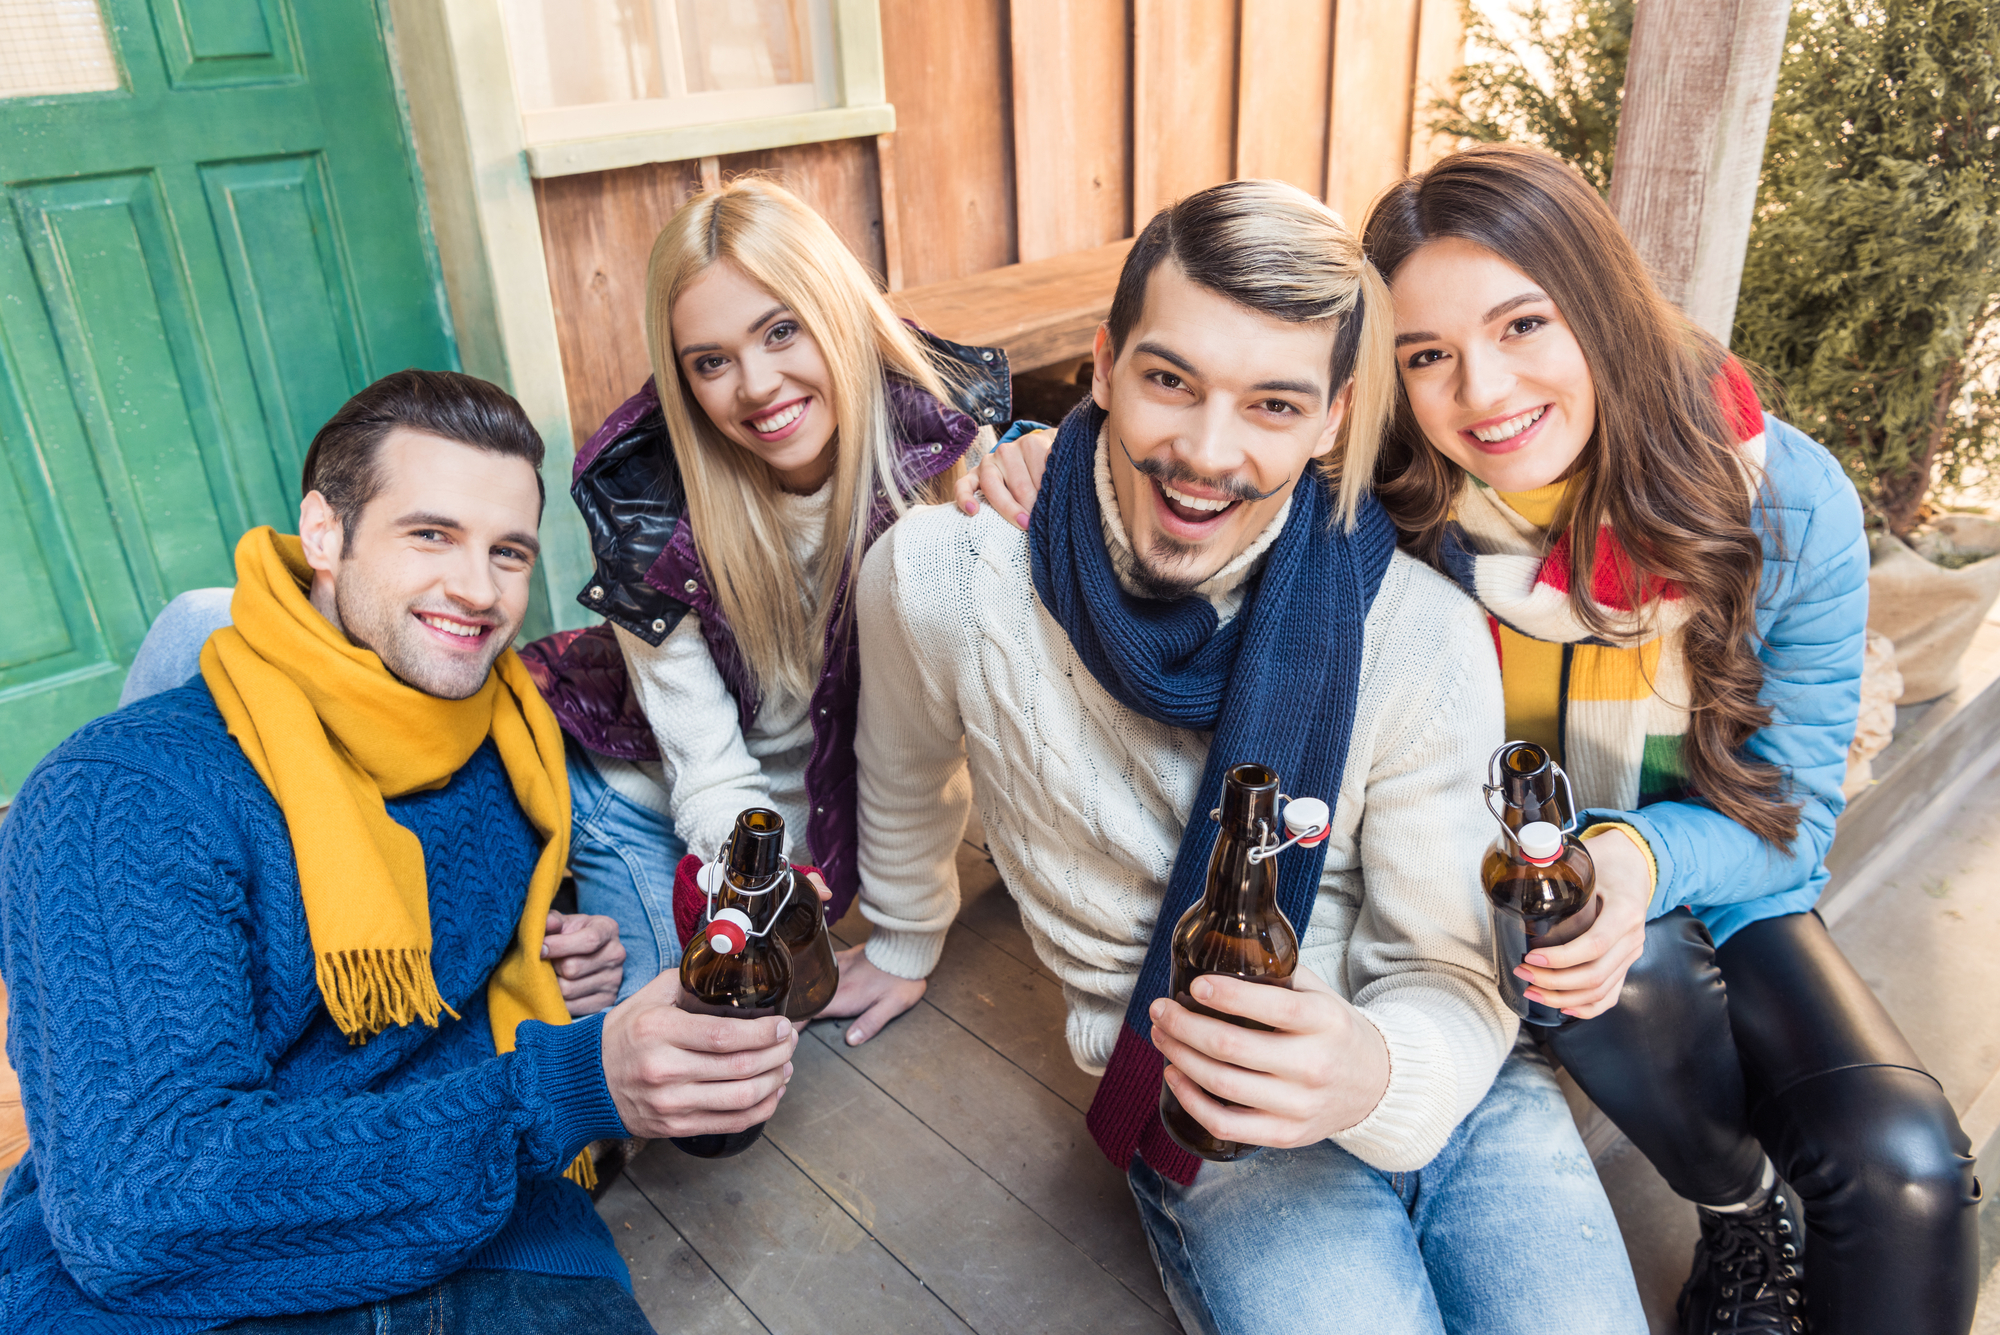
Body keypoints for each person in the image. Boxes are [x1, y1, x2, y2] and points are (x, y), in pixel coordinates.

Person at [831, 179, 1647, 1334]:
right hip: (1205, 1092)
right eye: (1169, 381)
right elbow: (905, 764)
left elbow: (1446, 967)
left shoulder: (1412, 633)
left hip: (1442, 1066)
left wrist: (1371, 1073)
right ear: (1103, 368)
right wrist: (907, 934)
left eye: (1272, 404)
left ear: (1332, 418)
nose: (1205, 455)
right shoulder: (945, 577)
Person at [0, 370, 804, 1334]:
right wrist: (569, 1079)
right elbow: (142, 1209)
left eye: (508, 551)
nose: (477, 588)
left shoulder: (510, 742)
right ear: (326, 533)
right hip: (189, 1291)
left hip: (505, 1251)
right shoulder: (119, 793)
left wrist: (554, 972)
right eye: (431, 534)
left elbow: (434, 968)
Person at [1355, 145, 1977, 1335]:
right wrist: (1046, 452)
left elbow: (1786, 813)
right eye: (1424, 356)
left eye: (1521, 323)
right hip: (1504, 894)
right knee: (1587, 921)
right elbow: (1220, 460)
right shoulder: (1397, 506)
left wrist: (1641, 858)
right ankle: (1740, 1213)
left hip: (1724, 862)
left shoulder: (1776, 496)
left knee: (1904, 1172)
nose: (1480, 391)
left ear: (1596, 303)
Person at [520, 176, 1008, 998]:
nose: (755, 386)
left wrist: (908, 932)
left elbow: (951, 724)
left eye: (782, 330)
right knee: (677, 1033)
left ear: (837, 310)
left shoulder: (945, 445)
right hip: (652, 795)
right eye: (711, 361)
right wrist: (769, 879)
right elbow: (705, 774)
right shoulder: (650, 511)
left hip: (832, 820)